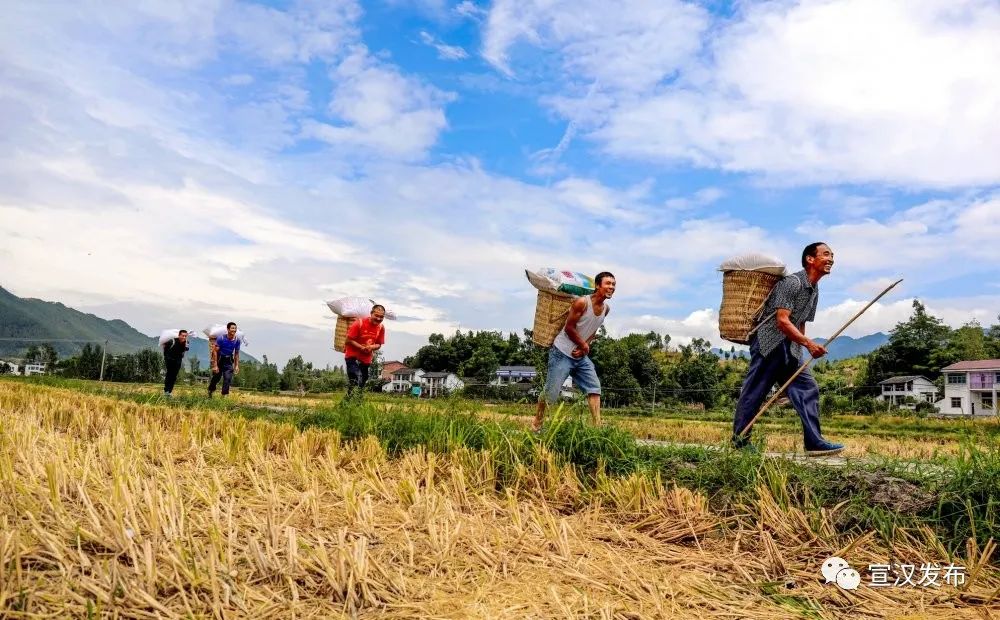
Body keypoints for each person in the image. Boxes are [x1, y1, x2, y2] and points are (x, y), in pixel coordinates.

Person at [732, 242, 844, 456]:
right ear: (810, 259)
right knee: (755, 391)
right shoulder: (791, 283)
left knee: (807, 387)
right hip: (769, 342)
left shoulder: (814, 289)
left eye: (832, 256)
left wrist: (800, 348)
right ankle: (740, 442)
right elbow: (782, 321)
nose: (831, 259)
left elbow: (800, 322)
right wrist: (809, 344)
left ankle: (814, 443)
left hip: (791, 345)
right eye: (826, 254)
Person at [532, 272, 615, 433]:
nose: (611, 287)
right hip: (561, 352)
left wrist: (586, 346)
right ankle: (537, 422)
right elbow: (569, 328)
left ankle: (597, 427)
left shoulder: (606, 309)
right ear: (598, 286)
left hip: (580, 355)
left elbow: (593, 329)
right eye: (608, 283)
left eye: (613, 284)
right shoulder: (581, 303)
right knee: (551, 393)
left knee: (594, 387)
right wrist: (583, 344)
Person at [344, 305, 386, 400]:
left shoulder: (381, 328)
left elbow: (379, 344)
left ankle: (351, 403)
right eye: (376, 315)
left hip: (365, 358)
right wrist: (361, 347)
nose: (379, 318)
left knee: (363, 380)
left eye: (381, 317)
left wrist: (371, 347)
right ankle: (354, 402)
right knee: (357, 377)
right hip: (352, 356)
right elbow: (348, 340)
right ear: (371, 313)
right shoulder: (359, 323)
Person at [208, 322, 240, 398]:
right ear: (228, 329)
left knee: (228, 378)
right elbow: (215, 351)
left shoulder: (237, 340)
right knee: (216, 377)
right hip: (220, 359)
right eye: (232, 328)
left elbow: (236, 353)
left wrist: (236, 365)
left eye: (235, 328)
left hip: (229, 360)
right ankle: (210, 390)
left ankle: (224, 395)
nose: (234, 330)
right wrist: (215, 365)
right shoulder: (221, 338)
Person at [162, 329, 189, 397]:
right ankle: (166, 391)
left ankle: (170, 391)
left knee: (174, 376)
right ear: (179, 335)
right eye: (182, 336)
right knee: (169, 374)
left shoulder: (186, 342)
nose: (184, 337)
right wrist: (166, 357)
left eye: (185, 336)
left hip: (178, 360)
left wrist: (185, 343)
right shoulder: (172, 341)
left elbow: (186, 349)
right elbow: (165, 349)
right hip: (170, 359)